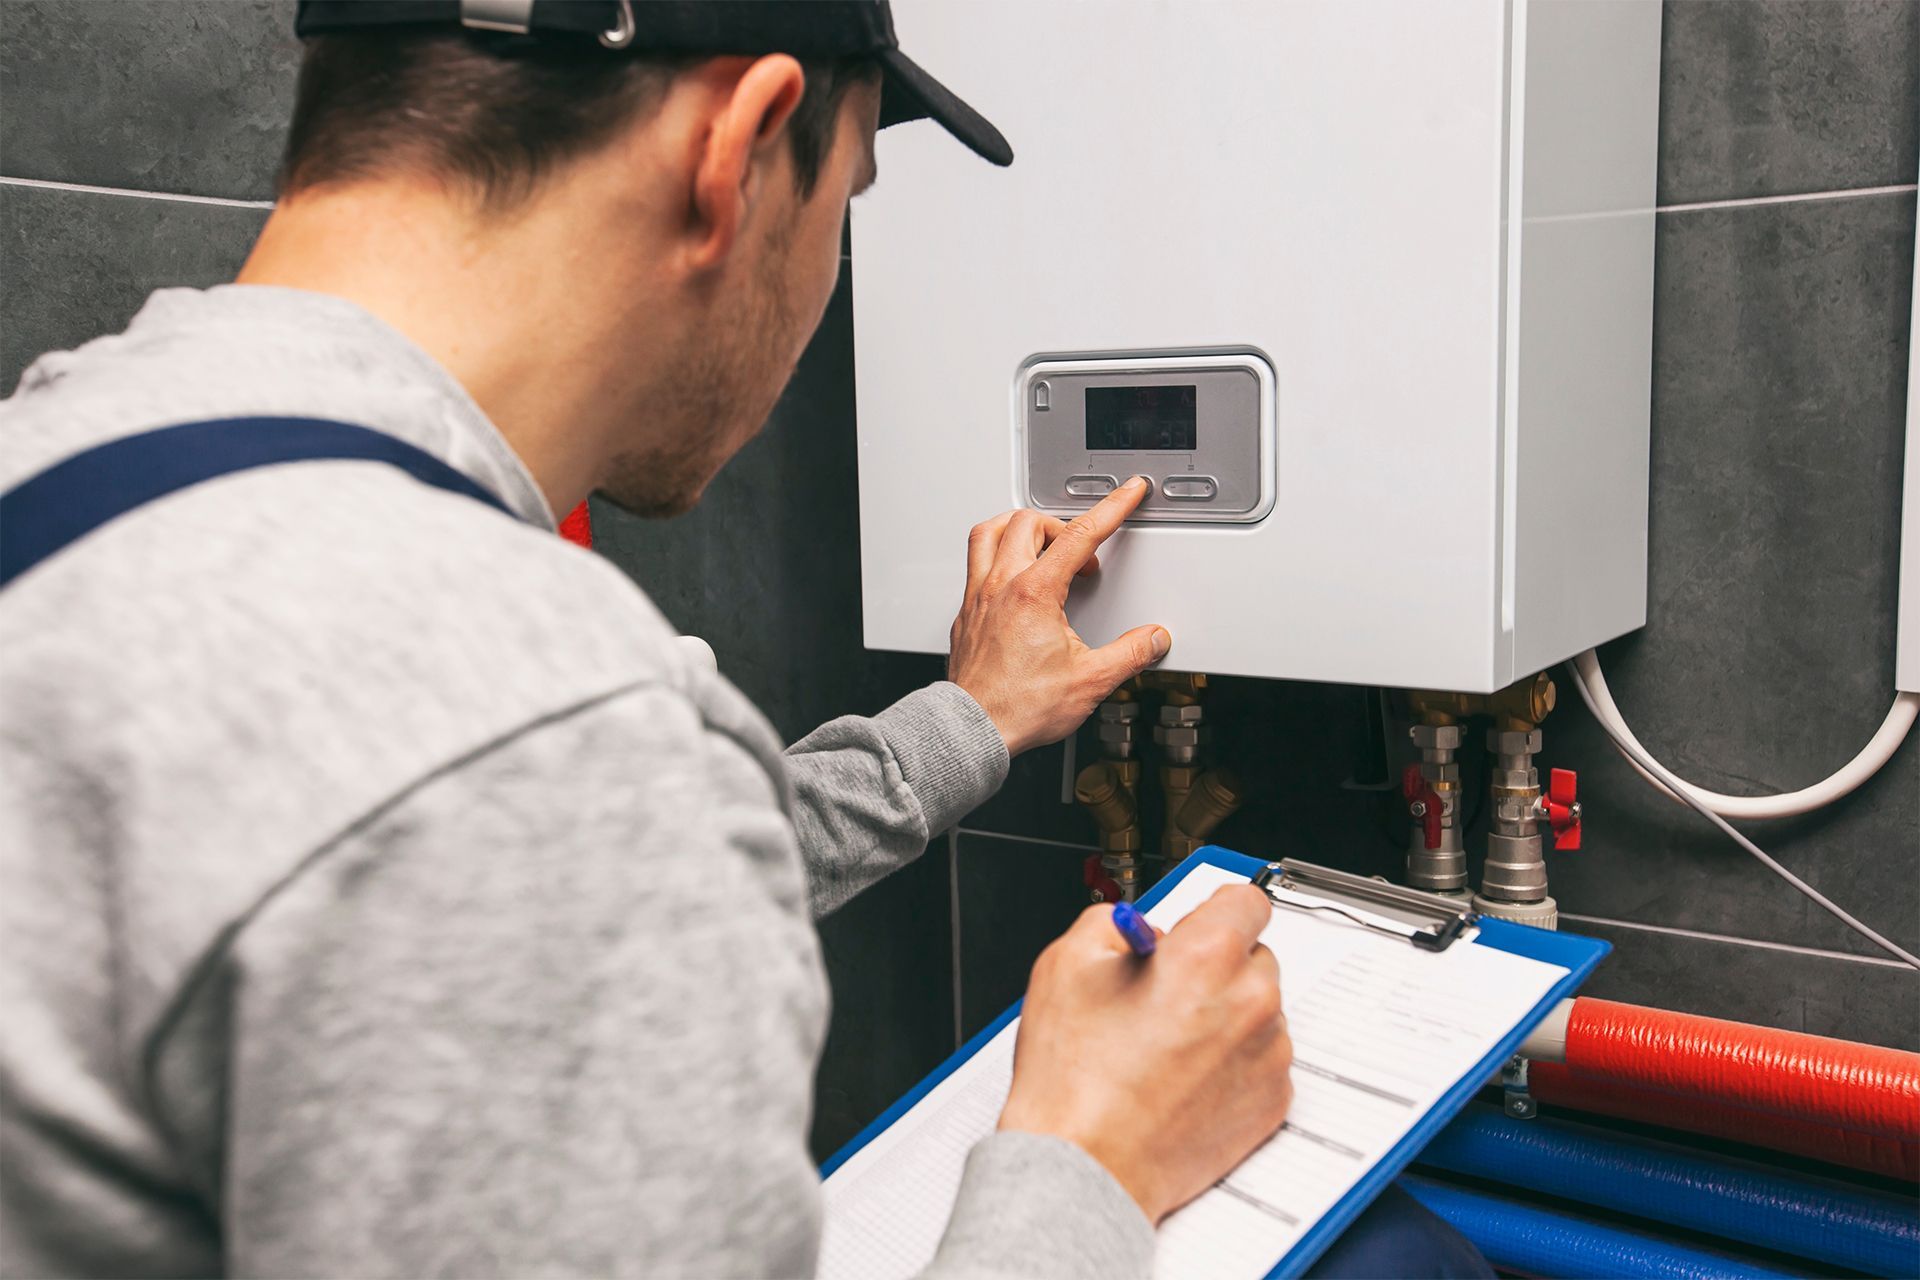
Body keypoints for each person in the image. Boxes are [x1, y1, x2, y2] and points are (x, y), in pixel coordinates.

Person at [0, 3, 1490, 1277]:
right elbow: (530, 813)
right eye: (844, 196)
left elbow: (428, 837)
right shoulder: (537, 741)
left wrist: (963, 720)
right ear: (739, 151)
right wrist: (1091, 1156)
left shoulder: (71, 461)